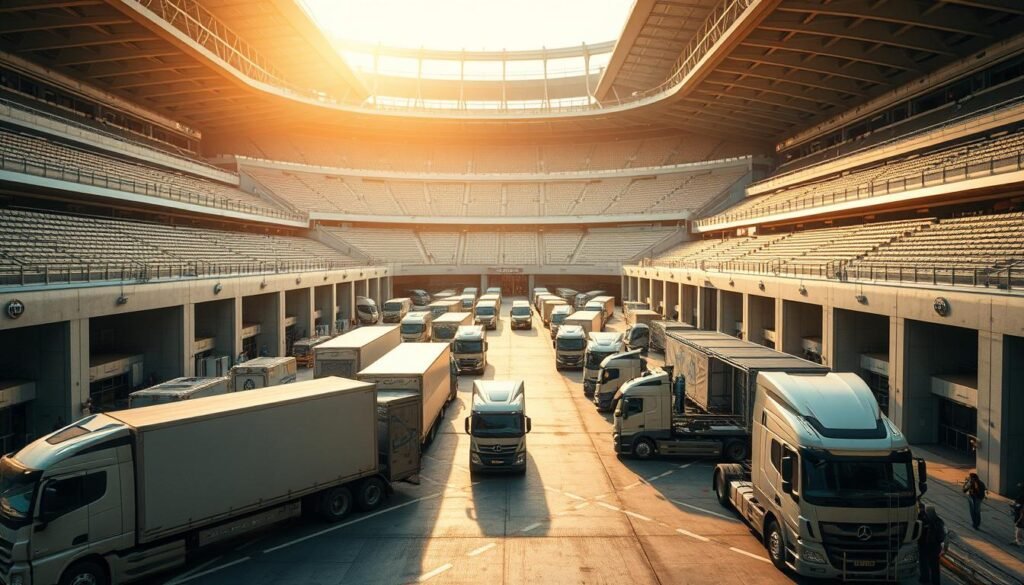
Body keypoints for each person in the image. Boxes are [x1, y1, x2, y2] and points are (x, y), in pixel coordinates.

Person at [918, 505, 945, 585]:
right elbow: (941, 537)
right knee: (934, 567)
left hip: (925, 546)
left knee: (924, 563)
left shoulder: (924, 520)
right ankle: (935, 582)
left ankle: (925, 579)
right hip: (935, 548)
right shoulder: (939, 521)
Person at [1012, 482, 1024, 547]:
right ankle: (1017, 540)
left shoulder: (1021, 495)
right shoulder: (1021, 494)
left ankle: (1019, 541)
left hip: (1020, 512)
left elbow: (1019, 503)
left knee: (1019, 526)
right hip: (1019, 511)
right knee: (1018, 526)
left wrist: (1015, 505)